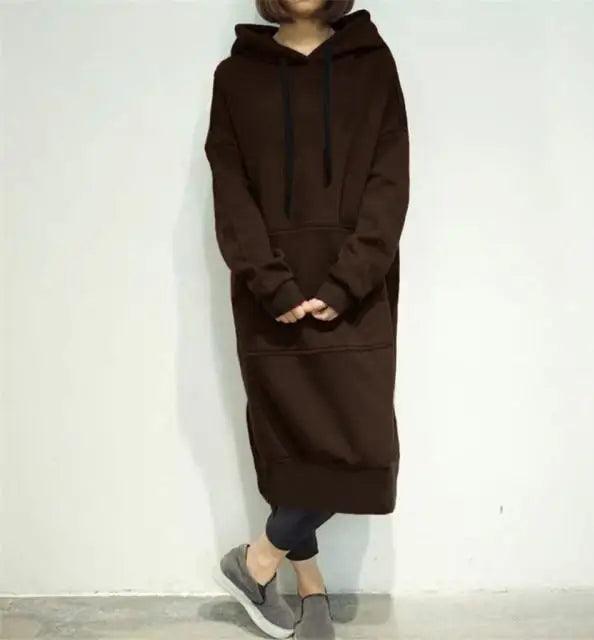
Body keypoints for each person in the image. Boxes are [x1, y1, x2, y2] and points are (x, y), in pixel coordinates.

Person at [204, 1, 410, 638]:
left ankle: (256, 561)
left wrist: (348, 280)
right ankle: (310, 586)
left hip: (358, 291)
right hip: (271, 298)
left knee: (363, 453)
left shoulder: (372, 64)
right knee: (292, 449)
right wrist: (272, 283)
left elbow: (390, 180)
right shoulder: (235, 76)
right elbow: (230, 188)